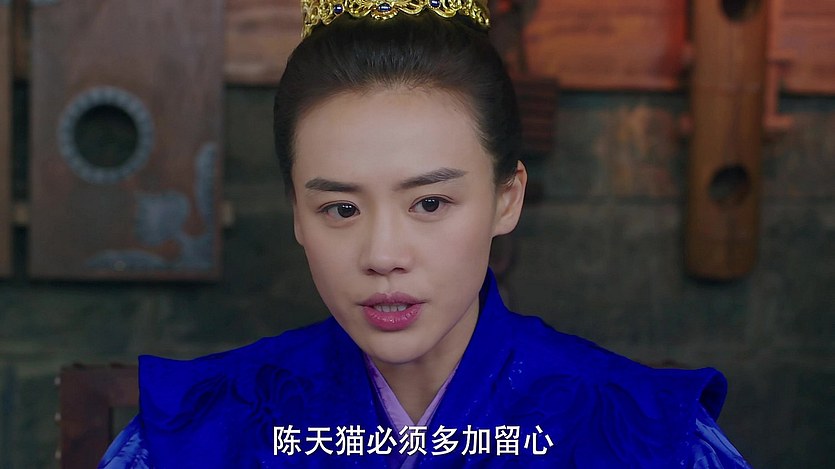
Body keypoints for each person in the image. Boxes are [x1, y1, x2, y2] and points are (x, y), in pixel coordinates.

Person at [100, 0, 752, 467]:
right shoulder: (193, 433)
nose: (383, 255)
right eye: (340, 209)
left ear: (506, 197)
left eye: (430, 202)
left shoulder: (650, 437)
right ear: (297, 212)